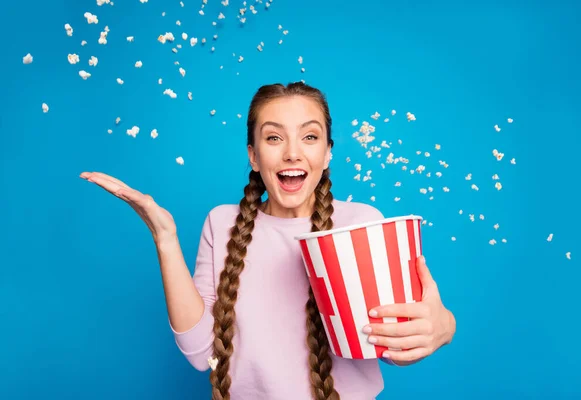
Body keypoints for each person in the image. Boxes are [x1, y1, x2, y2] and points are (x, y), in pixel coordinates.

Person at [80, 82, 456, 400]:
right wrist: (165, 238)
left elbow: (394, 343)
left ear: (327, 154)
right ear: (254, 156)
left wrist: (442, 326)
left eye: (309, 137)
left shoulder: (361, 224)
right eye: (274, 137)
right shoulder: (222, 223)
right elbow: (200, 353)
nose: (292, 152)